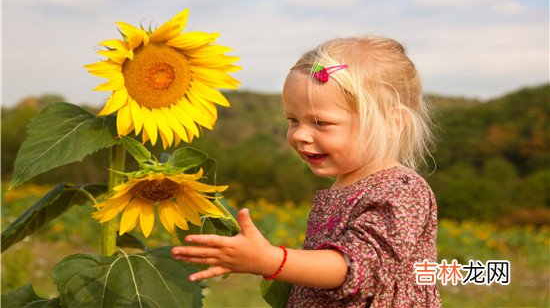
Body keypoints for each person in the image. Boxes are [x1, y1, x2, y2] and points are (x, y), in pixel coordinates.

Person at [172, 36, 441, 307]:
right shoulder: (348, 185)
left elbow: (354, 267)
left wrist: (271, 260)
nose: (299, 134)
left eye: (321, 122)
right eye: (293, 120)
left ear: (393, 122)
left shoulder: (401, 190)